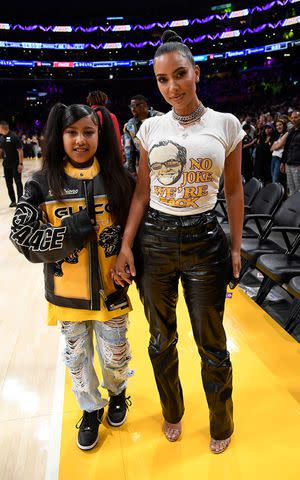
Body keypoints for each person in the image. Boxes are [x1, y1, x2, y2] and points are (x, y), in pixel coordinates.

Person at [113, 30, 245, 454]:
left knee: (212, 342)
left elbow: (235, 190)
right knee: (160, 339)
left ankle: (220, 420)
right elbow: (141, 192)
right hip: (155, 241)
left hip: (207, 241)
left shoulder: (226, 125)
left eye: (180, 75)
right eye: (162, 80)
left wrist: (237, 247)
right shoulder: (149, 127)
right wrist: (126, 244)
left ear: (196, 73)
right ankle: (173, 411)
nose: (172, 87)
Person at [9, 104, 135, 451]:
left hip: (113, 292)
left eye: (88, 132)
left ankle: (119, 392)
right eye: (72, 132)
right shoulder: (40, 182)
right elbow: (22, 236)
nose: (80, 140)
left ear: (100, 135)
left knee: (116, 357)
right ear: (58, 136)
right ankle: (91, 410)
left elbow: (137, 231)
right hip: (67, 296)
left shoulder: (117, 178)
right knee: (77, 361)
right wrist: (69, 233)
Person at [123, 95, 163, 176]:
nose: (133, 109)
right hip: (143, 164)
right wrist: (131, 169)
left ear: (145, 105)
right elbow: (129, 149)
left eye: (136, 106)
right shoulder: (130, 125)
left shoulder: (160, 117)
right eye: (131, 106)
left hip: (162, 161)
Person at [86, 90, 123, 156]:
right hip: (107, 155)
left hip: (89, 153)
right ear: (105, 101)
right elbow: (117, 139)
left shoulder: (85, 116)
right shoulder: (111, 116)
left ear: (90, 101)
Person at [0, 120, 24, 207]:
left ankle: (20, 201)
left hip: (15, 164)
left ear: (2, 127)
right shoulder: (2, 138)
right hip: (6, 164)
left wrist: (20, 164)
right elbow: (1, 150)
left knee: (18, 182)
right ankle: (13, 201)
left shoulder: (14, 137)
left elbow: (20, 150)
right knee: (8, 183)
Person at [280, 110, 300, 195]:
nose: (293, 119)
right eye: (292, 118)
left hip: (297, 165)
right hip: (289, 164)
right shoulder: (291, 131)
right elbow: (286, 148)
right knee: (291, 189)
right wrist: (283, 162)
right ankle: (292, 208)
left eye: (296, 117)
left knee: (299, 189)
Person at [270, 118, 288, 183]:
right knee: (273, 180)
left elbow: (278, 146)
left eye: (280, 125)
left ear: (284, 125)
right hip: (273, 158)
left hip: (279, 159)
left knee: (275, 181)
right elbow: (271, 149)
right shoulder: (279, 135)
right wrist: (276, 146)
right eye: (277, 126)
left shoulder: (287, 134)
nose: (278, 127)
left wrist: (276, 145)